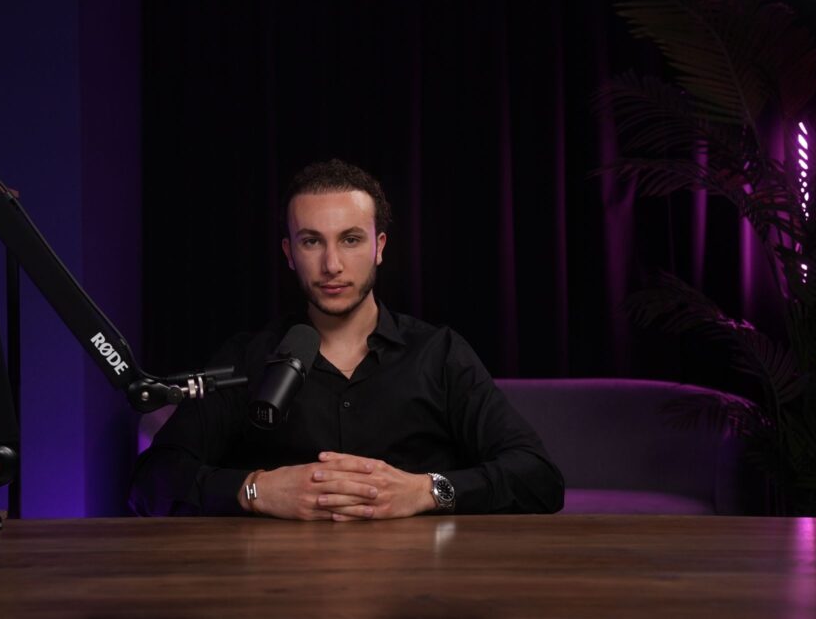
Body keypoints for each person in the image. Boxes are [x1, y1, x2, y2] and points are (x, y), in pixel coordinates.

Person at [130, 159, 563, 520]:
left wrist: (426, 491)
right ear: (289, 254)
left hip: (420, 581)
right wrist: (255, 489)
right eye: (311, 242)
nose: (332, 264)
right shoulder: (248, 358)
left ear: (379, 247)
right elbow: (150, 482)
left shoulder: (439, 354)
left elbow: (538, 478)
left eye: (351, 239)